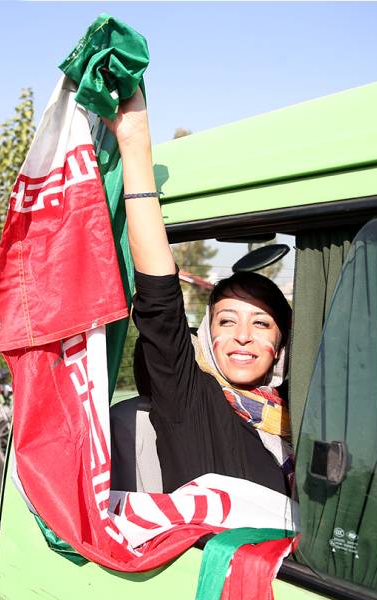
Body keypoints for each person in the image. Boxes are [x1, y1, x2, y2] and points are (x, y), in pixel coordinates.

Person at [107, 89, 294, 495]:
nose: (244, 336)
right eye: (227, 321)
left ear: (280, 346)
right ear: (208, 338)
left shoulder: (306, 419)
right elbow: (160, 300)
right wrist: (135, 141)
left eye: (261, 323)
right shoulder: (190, 398)